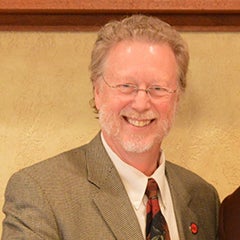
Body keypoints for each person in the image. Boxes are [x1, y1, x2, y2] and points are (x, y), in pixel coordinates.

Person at [2, 14, 220, 240]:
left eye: (158, 88)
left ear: (177, 97)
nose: (141, 103)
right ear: (97, 91)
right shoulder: (42, 192)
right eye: (126, 86)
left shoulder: (203, 200)